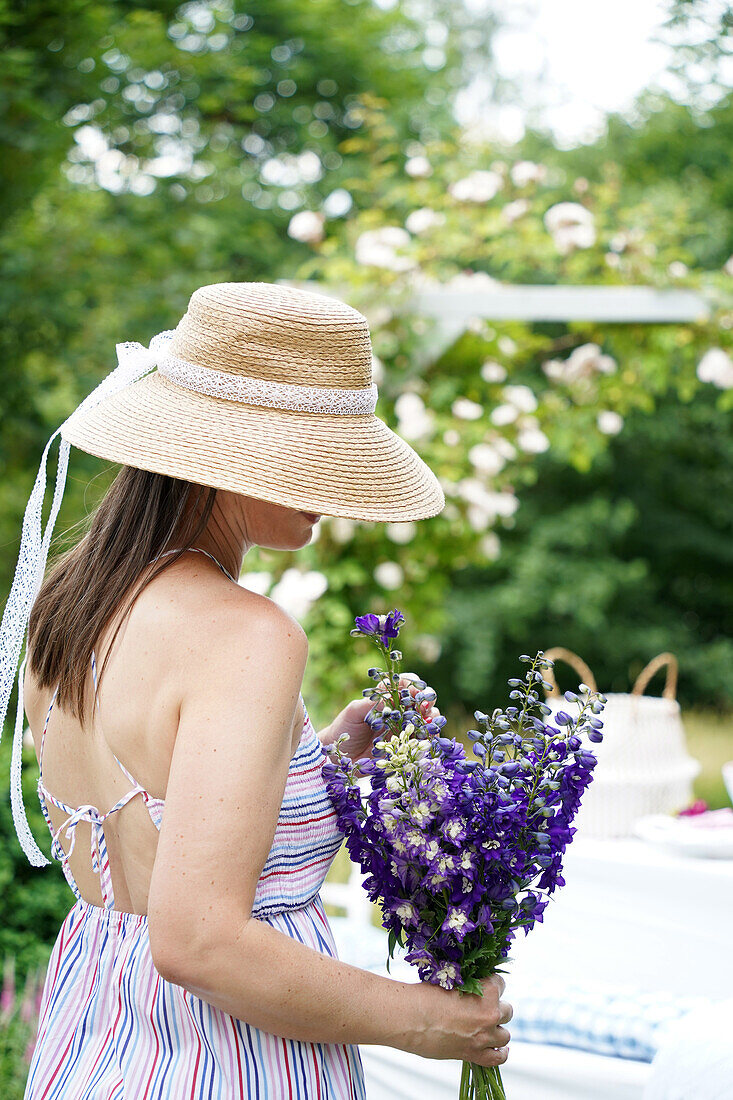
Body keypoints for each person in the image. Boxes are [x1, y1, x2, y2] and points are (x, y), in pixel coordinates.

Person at [0, 281, 512, 1097]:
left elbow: (163, 813)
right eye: (312, 453)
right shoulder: (246, 634)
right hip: (230, 1063)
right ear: (221, 455)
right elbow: (200, 942)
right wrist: (431, 1021)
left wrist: (329, 753)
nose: (331, 487)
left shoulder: (70, 601)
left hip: (100, 1045)